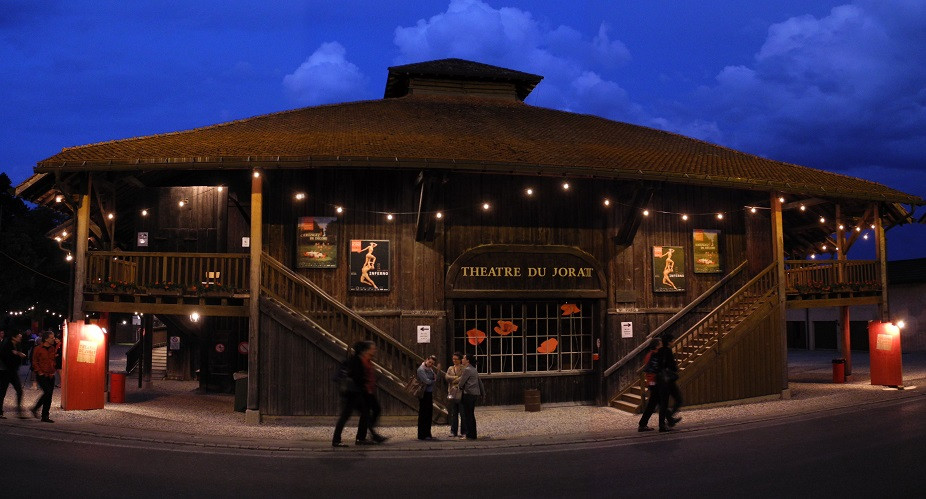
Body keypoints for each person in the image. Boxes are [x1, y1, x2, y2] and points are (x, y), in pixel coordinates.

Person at [332, 341, 387, 446]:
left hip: (354, 392)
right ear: (363, 350)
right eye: (372, 349)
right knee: (349, 416)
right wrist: (365, 381)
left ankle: (366, 437)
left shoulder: (358, 359)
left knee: (362, 414)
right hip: (353, 393)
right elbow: (356, 376)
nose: (374, 350)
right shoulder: (357, 360)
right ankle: (338, 440)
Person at [0, 331, 29, 419]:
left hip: (12, 371)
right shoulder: (7, 344)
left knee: (19, 390)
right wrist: (16, 354)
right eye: (19, 337)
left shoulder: (17, 345)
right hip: (5, 371)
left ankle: (19, 411)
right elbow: (4, 356)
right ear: (14, 337)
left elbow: (16, 357)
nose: (20, 338)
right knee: (2, 392)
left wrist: (17, 354)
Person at [30, 330, 58, 423]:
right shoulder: (38, 348)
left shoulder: (52, 348)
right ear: (46, 339)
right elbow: (34, 361)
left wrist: (53, 369)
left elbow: (54, 359)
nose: (53, 339)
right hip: (42, 374)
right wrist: (39, 371)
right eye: (52, 337)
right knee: (47, 392)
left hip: (51, 374)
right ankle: (36, 408)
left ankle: (45, 416)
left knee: (49, 395)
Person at [637, 337, 664, 432]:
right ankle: (666, 423)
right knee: (656, 403)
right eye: (661, 344)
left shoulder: (651, 354)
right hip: (654, 382)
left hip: (653, 381)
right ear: (656, 346)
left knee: (654, 404)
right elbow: (653, 370)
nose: (662, 346)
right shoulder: (653, 355)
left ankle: (643, 424)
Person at [658, 333, 683, 429]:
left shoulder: (660, 350)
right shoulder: (668, 351)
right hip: (668, 379)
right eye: (673, 340)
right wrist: (675, 368)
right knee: (678, 400)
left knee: (664, 403)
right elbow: (672, 365)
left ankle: (668, 421)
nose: (674, 342)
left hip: (661, 379)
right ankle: (669, 418)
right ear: (669, 342)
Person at [457, 354, 484, 440]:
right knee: (471, 414)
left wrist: (459, 387)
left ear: (468, 360)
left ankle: (469, 434)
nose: (462, 359)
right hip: (474, 394)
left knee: (467, 415)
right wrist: (482, 393)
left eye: (464, 358)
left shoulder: (467, 370)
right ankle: (473, 434)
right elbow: (479, 382)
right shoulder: (474, 369)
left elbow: (461, 382)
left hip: (468, 394)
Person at [417, 354, 440, 440]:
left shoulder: (430, 369)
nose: (430, 364)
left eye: (432, 363)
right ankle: (422, 434)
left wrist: (436, 373)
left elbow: (434, 378)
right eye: (429, 362)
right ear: (426, 360)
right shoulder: (421, 369)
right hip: (424, 393)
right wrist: (433, 380)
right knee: (423, 413)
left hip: (429, 392)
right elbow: (426, 381)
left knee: (429, 413)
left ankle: (428, 433)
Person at [444, 352, 466, 437]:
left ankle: (464, 431)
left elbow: (463, 378)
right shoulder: (450, 368)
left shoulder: (463, 368)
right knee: (454, 413)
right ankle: (453, 431)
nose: (454, 360)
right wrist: (455, 378)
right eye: (453, 359)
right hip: (452, 392)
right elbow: (447, 377)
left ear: (460, 360)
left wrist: (453, 380)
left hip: (460, 392)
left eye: (456, 359)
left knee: (462, 413)